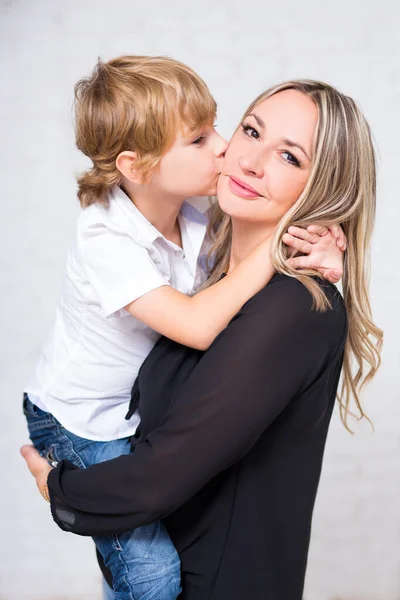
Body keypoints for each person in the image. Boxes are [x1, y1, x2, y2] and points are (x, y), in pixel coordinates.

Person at [21, 80, 373, 600]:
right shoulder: (198, 273)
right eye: (250, 130)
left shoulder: (295, 307)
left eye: (289, 157)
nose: (247, 159)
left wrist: (60, 488)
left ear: (325, 187)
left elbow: (163, 471)